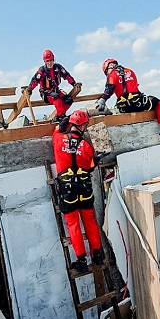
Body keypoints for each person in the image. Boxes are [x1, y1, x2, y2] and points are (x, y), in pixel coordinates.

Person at [53, 110, 103, 273]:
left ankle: (81, 259)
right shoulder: (86, 146)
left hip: (67, 190)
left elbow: (57, 130)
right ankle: (97, 254)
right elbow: (89, 167)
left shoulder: (59, 139)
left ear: (72, 124)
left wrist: (63, 124)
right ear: (84, 125)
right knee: (89, 220)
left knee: (73, 224)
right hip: (84, 187)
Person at [96, 59, 160, 137]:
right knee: (159, 103)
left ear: (108, 67)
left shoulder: (112, 75)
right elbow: (134, 88)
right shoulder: (130, 71)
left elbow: (109, 89)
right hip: (138, 104)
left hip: (124, 108)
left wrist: (103, 100)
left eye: (106, 72)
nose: (107, 74)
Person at [26, 50, 81, 122]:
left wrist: (74, 84)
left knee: (69, 100)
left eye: (51, 60)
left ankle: (58, 116)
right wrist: (29, 89)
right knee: (56, 96)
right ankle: (61, 116)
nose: (50, 63)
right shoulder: (42, 70)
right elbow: (35, 80)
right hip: (46, 93)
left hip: (56, 90)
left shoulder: (58, 67)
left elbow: (67, 75)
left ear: (53, 59)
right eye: (47, 61)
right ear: (44, 62)